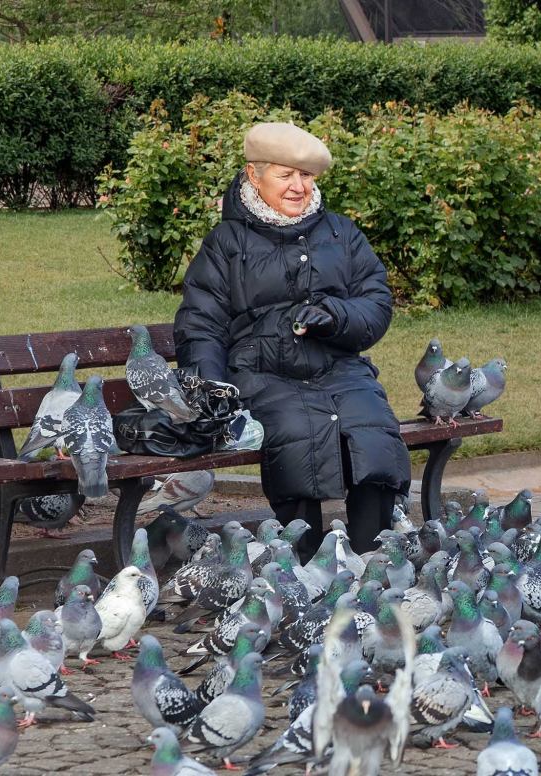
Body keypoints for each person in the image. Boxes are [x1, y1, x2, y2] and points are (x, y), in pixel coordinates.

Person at [173, 122, 411, 557]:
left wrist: (334, 314)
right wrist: (212, 389)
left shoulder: (341, 233)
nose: (299, 187)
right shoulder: (226, 244)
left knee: (371, 427)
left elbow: (376, 305)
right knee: (295, 430)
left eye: (307, 177)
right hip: (262, 373)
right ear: (253, 175)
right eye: (286, 176)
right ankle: (299, 562)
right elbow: (200, 325)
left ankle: (371, 561)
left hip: (338, 368)